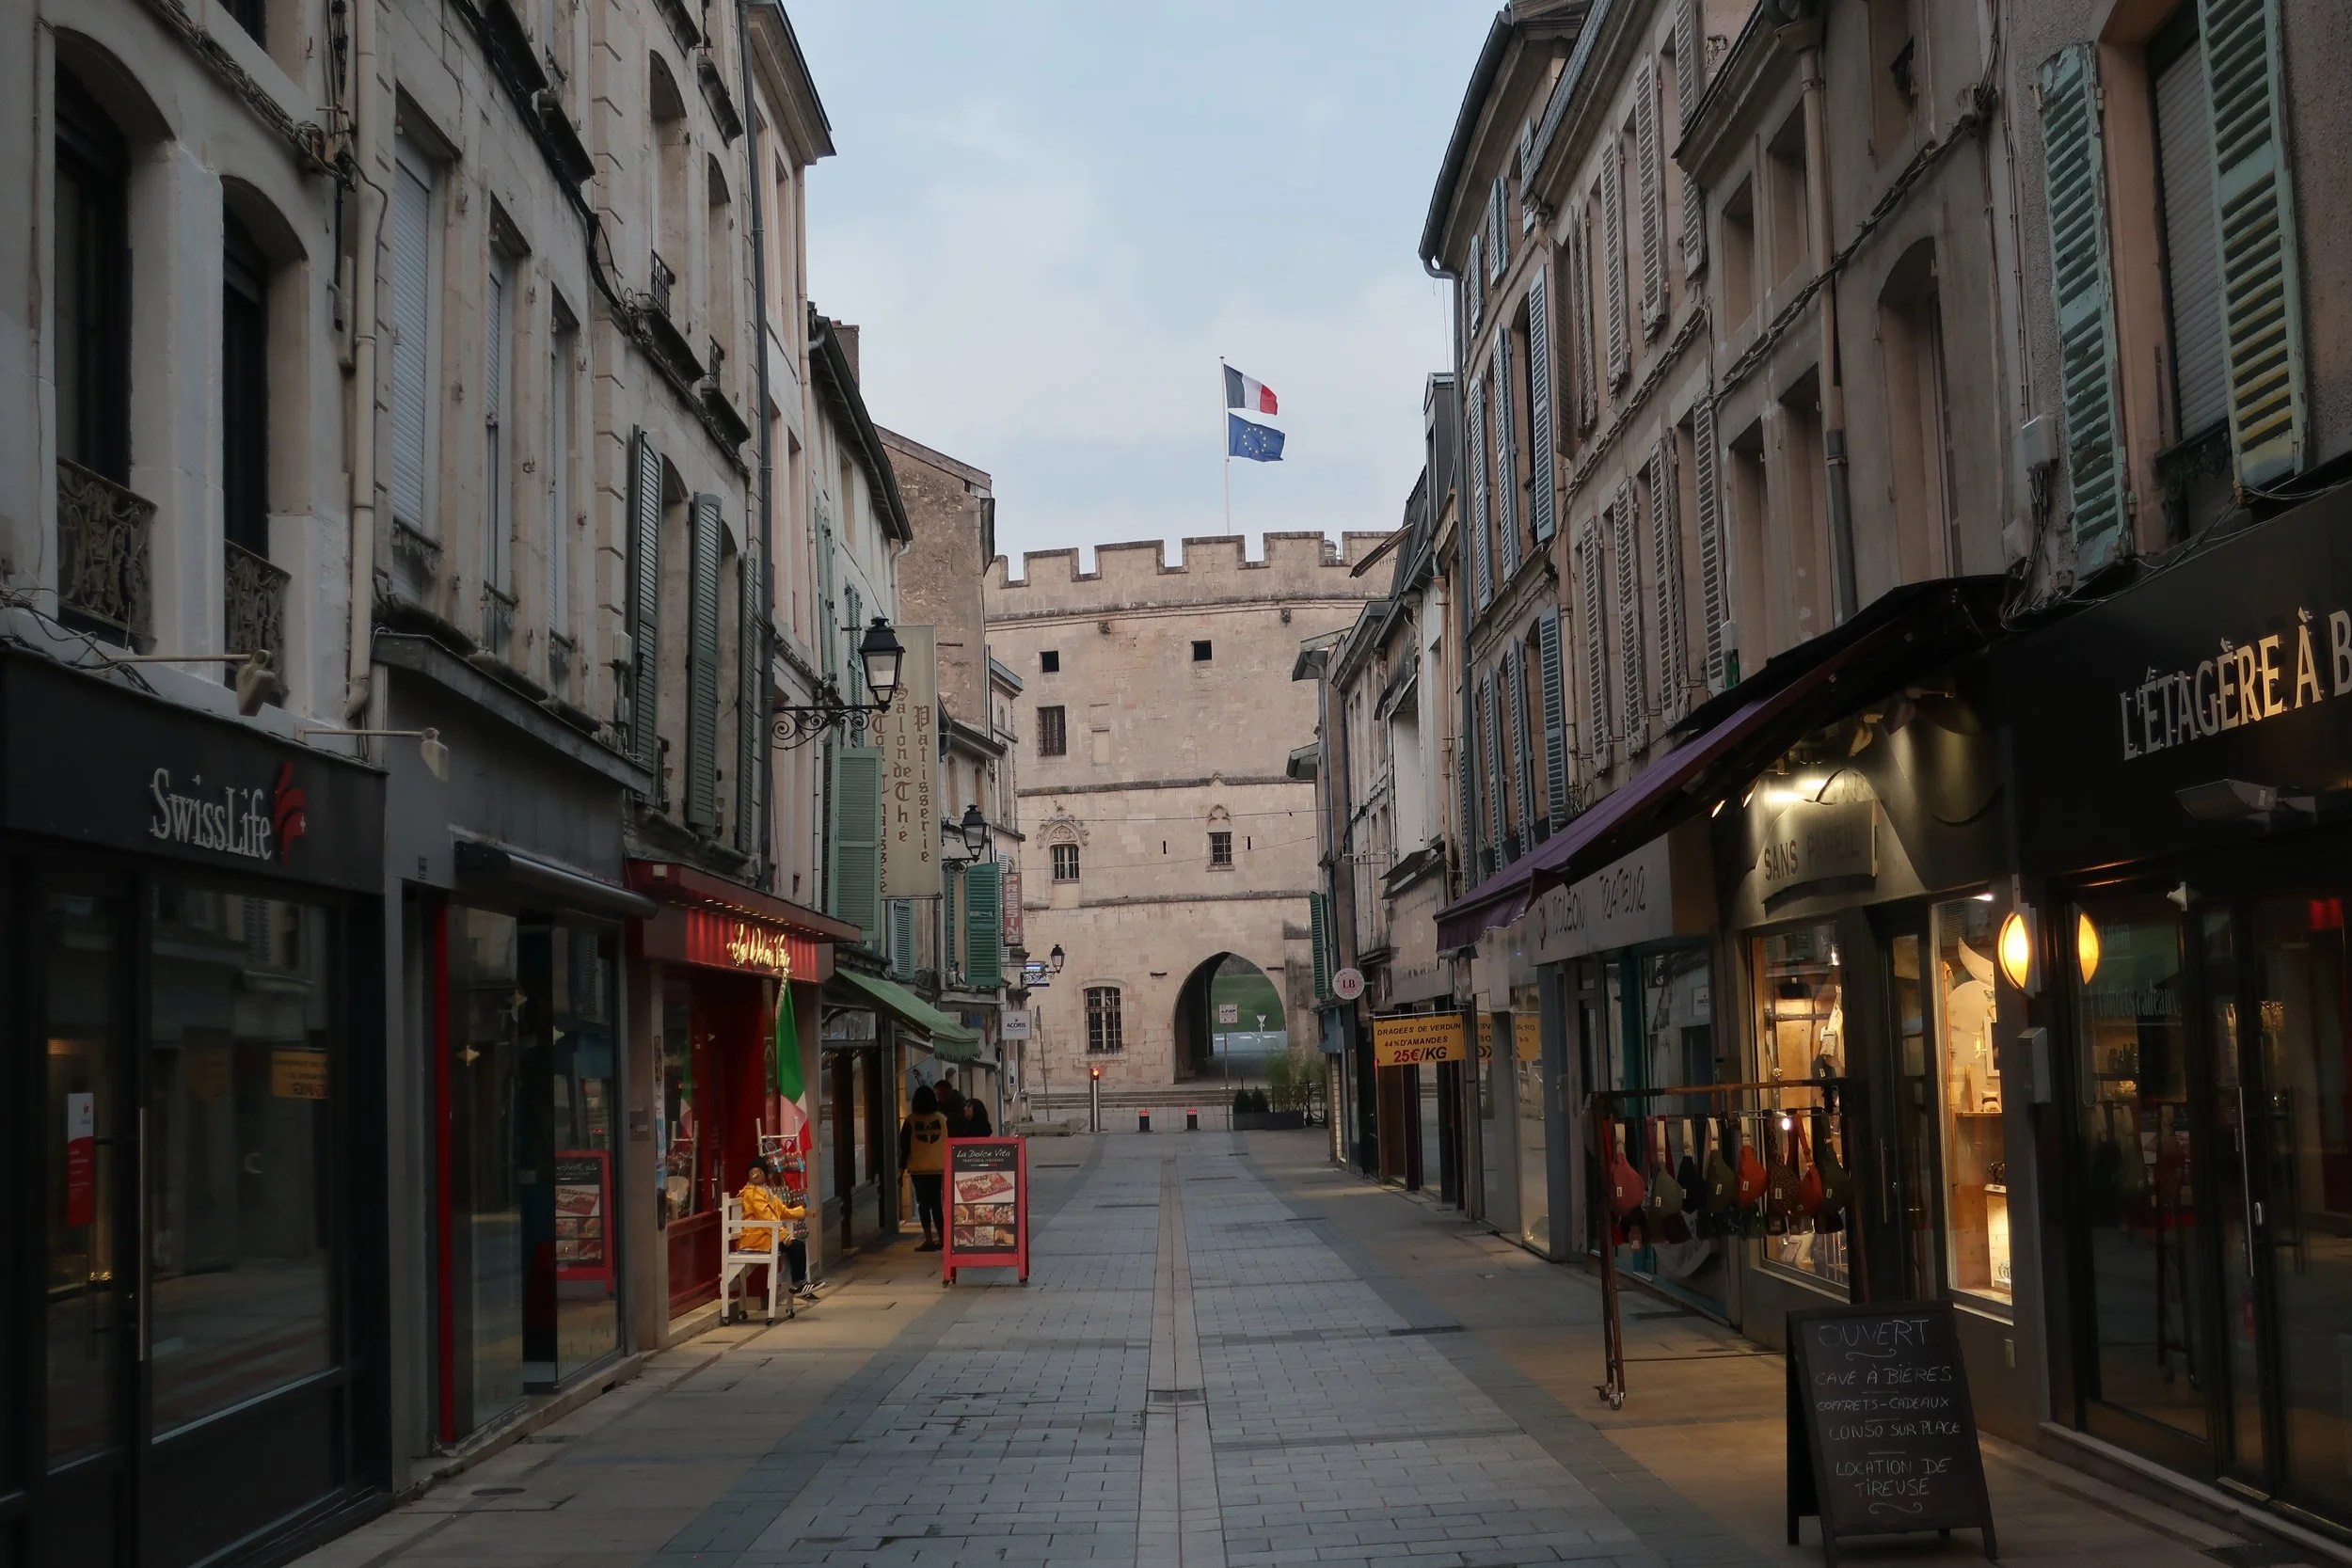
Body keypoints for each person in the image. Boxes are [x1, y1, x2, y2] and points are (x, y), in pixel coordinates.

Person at [736, 1159, 812, 1306]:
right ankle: (798, 1284)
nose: (755, 1175)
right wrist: (784, 1236)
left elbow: (781, 1211)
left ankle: (799, 1284)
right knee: (796, 1246)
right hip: (757, 1239)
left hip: (767, 1236)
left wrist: (802, 1212)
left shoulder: (766, 1191)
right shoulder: (752, 1193)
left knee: (798, 1246)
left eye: (759, 1172)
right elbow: (766, 1217)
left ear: (766, 1175)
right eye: (751, 1172)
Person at [899, 1085, 948, 1250]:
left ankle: (928, 1239)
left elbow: (904, 1148)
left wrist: (901, 1170)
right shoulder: (942, 1119)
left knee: (923, 1204)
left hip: (918, 1169)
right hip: (938, 1167)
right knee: (936, 1203)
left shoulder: (910, 1121)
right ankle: (942, 1238)